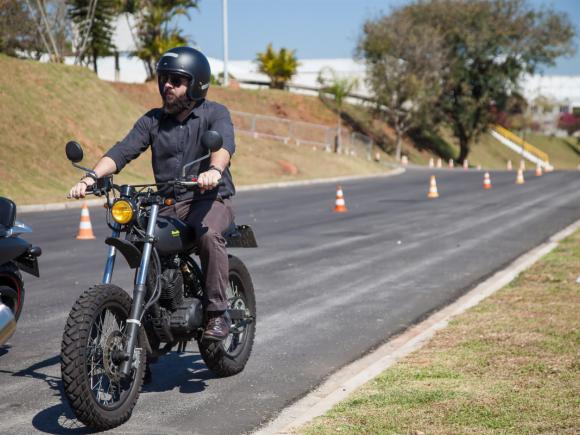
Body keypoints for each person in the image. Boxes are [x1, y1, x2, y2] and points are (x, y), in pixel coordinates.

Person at [68, 46, 236, 341]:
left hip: (207, 199)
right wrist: (92, 177)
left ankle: (217, 314)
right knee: (141, 238)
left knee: (208, 235)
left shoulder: (215, 113)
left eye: (176, 80)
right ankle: (148, 335)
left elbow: (222, 148)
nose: (167, 85)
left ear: (196, 84)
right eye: (164, 79)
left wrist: (214, 172)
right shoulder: (153, 120)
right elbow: (123, 150)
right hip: (168, 204)